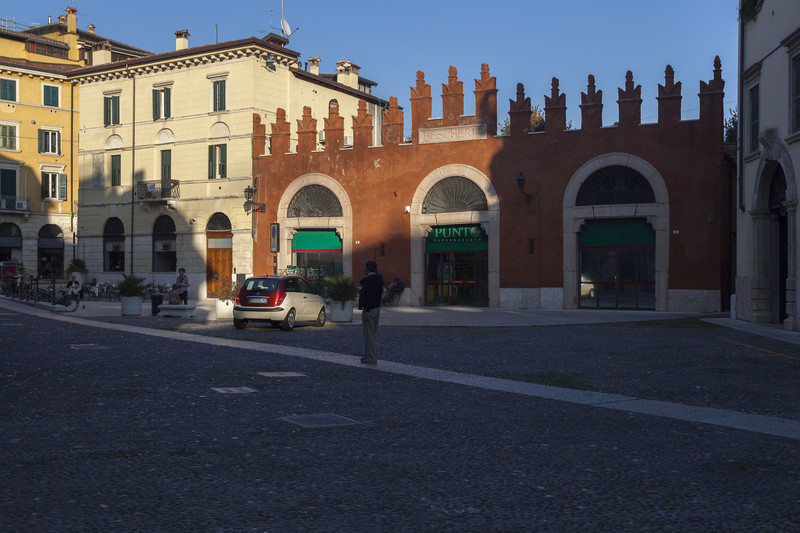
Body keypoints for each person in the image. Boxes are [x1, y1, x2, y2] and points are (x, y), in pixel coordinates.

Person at [358, 260, 383, 364]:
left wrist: (367, 311)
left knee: (369, 336)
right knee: (372, 334)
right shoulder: (379, 279)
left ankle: (371, 358)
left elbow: (369, 296)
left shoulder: (370, 280)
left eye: (364, 267)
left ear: (368, 268)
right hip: (376, 309)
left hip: (370, 310)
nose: (363, 269)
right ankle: (368, 356)